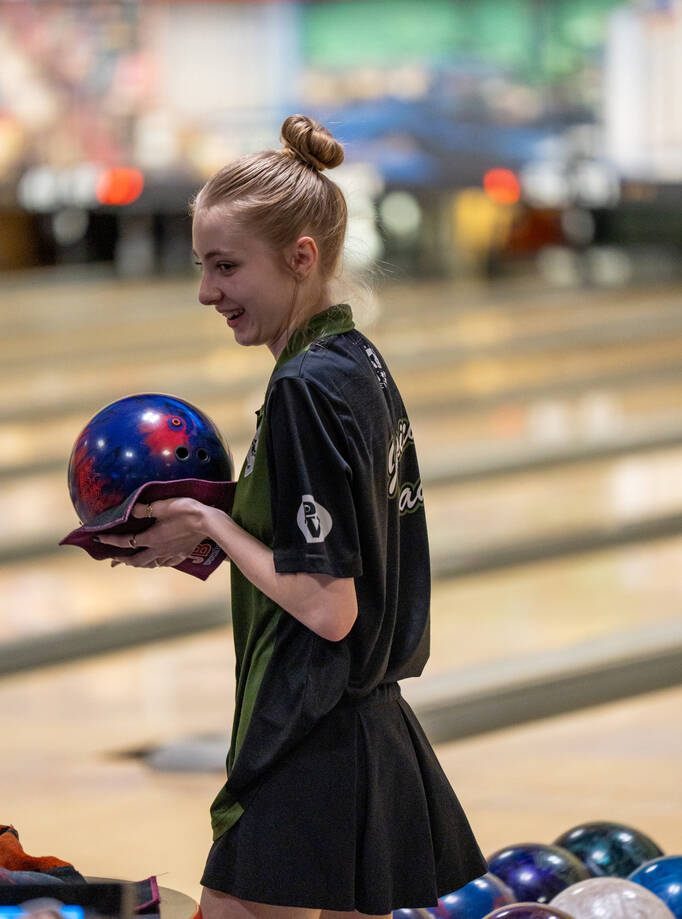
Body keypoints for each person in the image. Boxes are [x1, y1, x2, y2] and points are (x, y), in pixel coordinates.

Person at [98, 116, 487, 919]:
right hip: (369, 733)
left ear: (300, 258)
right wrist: (213, 521)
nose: (208, 292)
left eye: (227, 266)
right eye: (203, 267)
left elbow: (327, 604)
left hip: (308, 738)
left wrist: (211, 528)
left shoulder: (303, 389)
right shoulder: (358, 363)